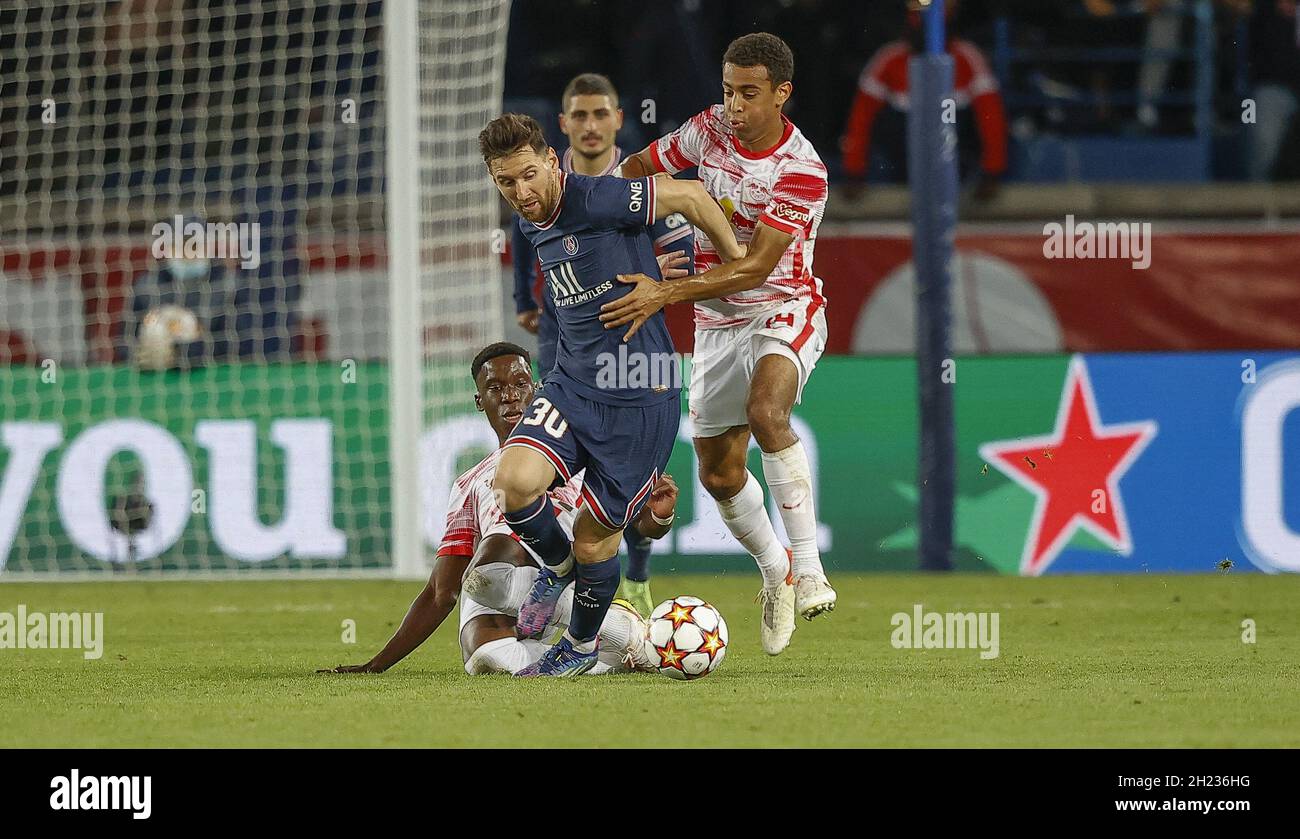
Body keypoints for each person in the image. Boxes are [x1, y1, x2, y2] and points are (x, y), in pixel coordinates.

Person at [482, 112, 743, 677]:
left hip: (639, 392)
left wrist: (735, 266)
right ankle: (558, 569)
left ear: (553, 161)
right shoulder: (533, 217)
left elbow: (694, 196)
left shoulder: (597, 197)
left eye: (529, 175)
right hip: (574, 382)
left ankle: (576, 649)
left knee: (595, 536)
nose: (520, 193)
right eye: (506, 182)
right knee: (515, 482)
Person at [609, 32, 836, 656]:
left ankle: (810, 568)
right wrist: (635, 229)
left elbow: (756, 268)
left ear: (782, 94)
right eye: (729, 91)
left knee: (768, 412)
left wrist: (662, 292)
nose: (734, 106)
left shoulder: (802, 169)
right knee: (717, 471)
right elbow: (636, 172)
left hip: (783, 307)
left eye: (750, 94)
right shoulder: (707, 130)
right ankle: (775, 570)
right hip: (715, 322)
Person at [319, 342, 679, 676]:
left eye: (520, 383)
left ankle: (572, 594)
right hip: (497, 585)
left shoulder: (581, 457)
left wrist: (660, 514)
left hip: (562, 566)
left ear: (535, 389)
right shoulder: (469, 484)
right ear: (480, 400)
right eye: (495, 388)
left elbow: (640, 527)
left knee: (495, 563)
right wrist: (376, 665)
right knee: (484, 656)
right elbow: (442, 591)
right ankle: (616, 640)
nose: (510, 396)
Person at [511, 72, 696, 616]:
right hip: (563, 337)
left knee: (625, 478)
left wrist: (648, 271)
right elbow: (529, 241)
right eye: (580, 116)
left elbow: (680, 250)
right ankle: (563, 570)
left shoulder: (636, 179)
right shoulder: (535, 183)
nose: (590, 126)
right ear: (563, 127)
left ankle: (633, 573)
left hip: (630, 343)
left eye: (601, 114)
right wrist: (525, 296)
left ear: (618, 119)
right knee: (543, 467)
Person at [839, 0, 1007, 200]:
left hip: (953, 153)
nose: (924, 32)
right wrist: (854, 172)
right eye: (918, 22)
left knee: (950, 115)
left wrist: (992, 172)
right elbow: (861, 119)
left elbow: (992, 118)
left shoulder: (967, 58)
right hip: (903, 158)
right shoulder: (889, 59)